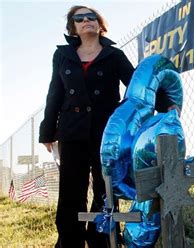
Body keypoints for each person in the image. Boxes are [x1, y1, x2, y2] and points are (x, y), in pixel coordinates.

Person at [39, 5, 134, 248]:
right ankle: (69, 241)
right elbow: (55, 94)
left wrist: (167, 104)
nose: (85, 21)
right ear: (73, 27)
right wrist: (48, 131)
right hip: (71, 130)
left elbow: (136, 86)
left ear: (100, 23)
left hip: (106, 132)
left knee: (105, 187)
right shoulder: (62, 55)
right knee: (71, 189)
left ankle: (100, 239)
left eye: (91, 17)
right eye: (79, 18)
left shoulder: (114, 55)